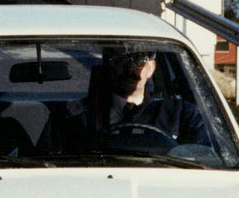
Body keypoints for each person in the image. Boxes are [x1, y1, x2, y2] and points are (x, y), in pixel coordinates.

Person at [65, 47, 211, 149]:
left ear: (151, 68)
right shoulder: (79, 117)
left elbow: (203, 161)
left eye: (138, 60)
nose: (129, 68)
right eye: (119, 60)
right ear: (108, 65)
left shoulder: (182, 115)